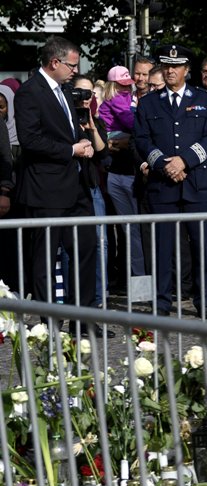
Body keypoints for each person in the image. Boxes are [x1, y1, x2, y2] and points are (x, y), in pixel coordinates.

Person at [134, 44, 207, 318]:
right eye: (166, 66)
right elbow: (142, 139)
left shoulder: (205, 100)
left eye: (176, 66)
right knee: (162, 248)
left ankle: (205, 302)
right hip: (163, 184)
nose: (170, 70)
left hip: (197, 182)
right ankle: (161, 303)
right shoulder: (149, 102)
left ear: (187, 70)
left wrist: (184, 161)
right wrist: (165, 164)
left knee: (202, 247)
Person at [15, 36, 98, 312]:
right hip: (46, 190)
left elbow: (67, 131)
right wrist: (70, 150)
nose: (75, 71)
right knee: (45, 259)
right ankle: (49, 320)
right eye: (72, 65)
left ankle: (82, 317)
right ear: (54, 62)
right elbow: (31, 140)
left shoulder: (63, 90)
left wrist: (82, 142)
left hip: (77, 187)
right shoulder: (30, 92)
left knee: (85, 251)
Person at [98, 65, 146, 283]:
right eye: (122, 85)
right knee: (132, 230)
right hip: (117, 158)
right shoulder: (117, 98)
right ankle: (139, 277)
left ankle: (141, 277)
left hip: (124, 168)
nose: (127, 88)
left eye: (129, 84)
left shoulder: (125, 96)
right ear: (113, 85)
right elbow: (131, 122)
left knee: (133, 231)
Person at [71, 75, 110, 307]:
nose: (86, 98)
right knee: (71, 247)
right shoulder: (63, 120)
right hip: (71, 189)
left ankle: (98, 301)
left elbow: (104, 156)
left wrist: (93, 129)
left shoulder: (97, 121)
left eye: (90, 93)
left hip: (92, 187)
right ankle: (75, 303)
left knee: (100, 243)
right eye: (80, 93)